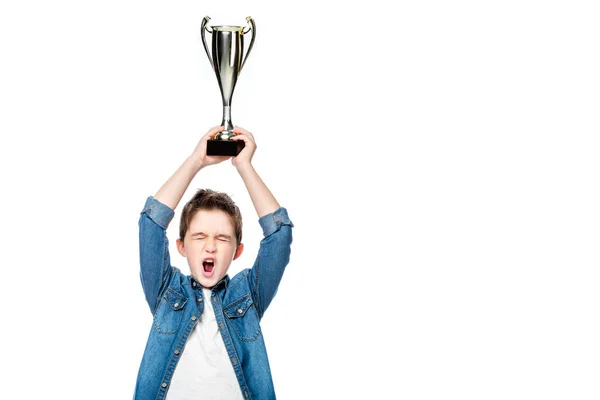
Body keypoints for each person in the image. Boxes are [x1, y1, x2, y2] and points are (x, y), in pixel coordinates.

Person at [133, 125, 294, 400]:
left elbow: (279, 235)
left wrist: (244, 166)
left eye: (222, 238)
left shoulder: (247, 296)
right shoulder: (166, 292)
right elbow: (151, 223)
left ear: (237, 251)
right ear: (181, 247)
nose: (210, 245)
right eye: (199, 237)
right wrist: (197, 160)